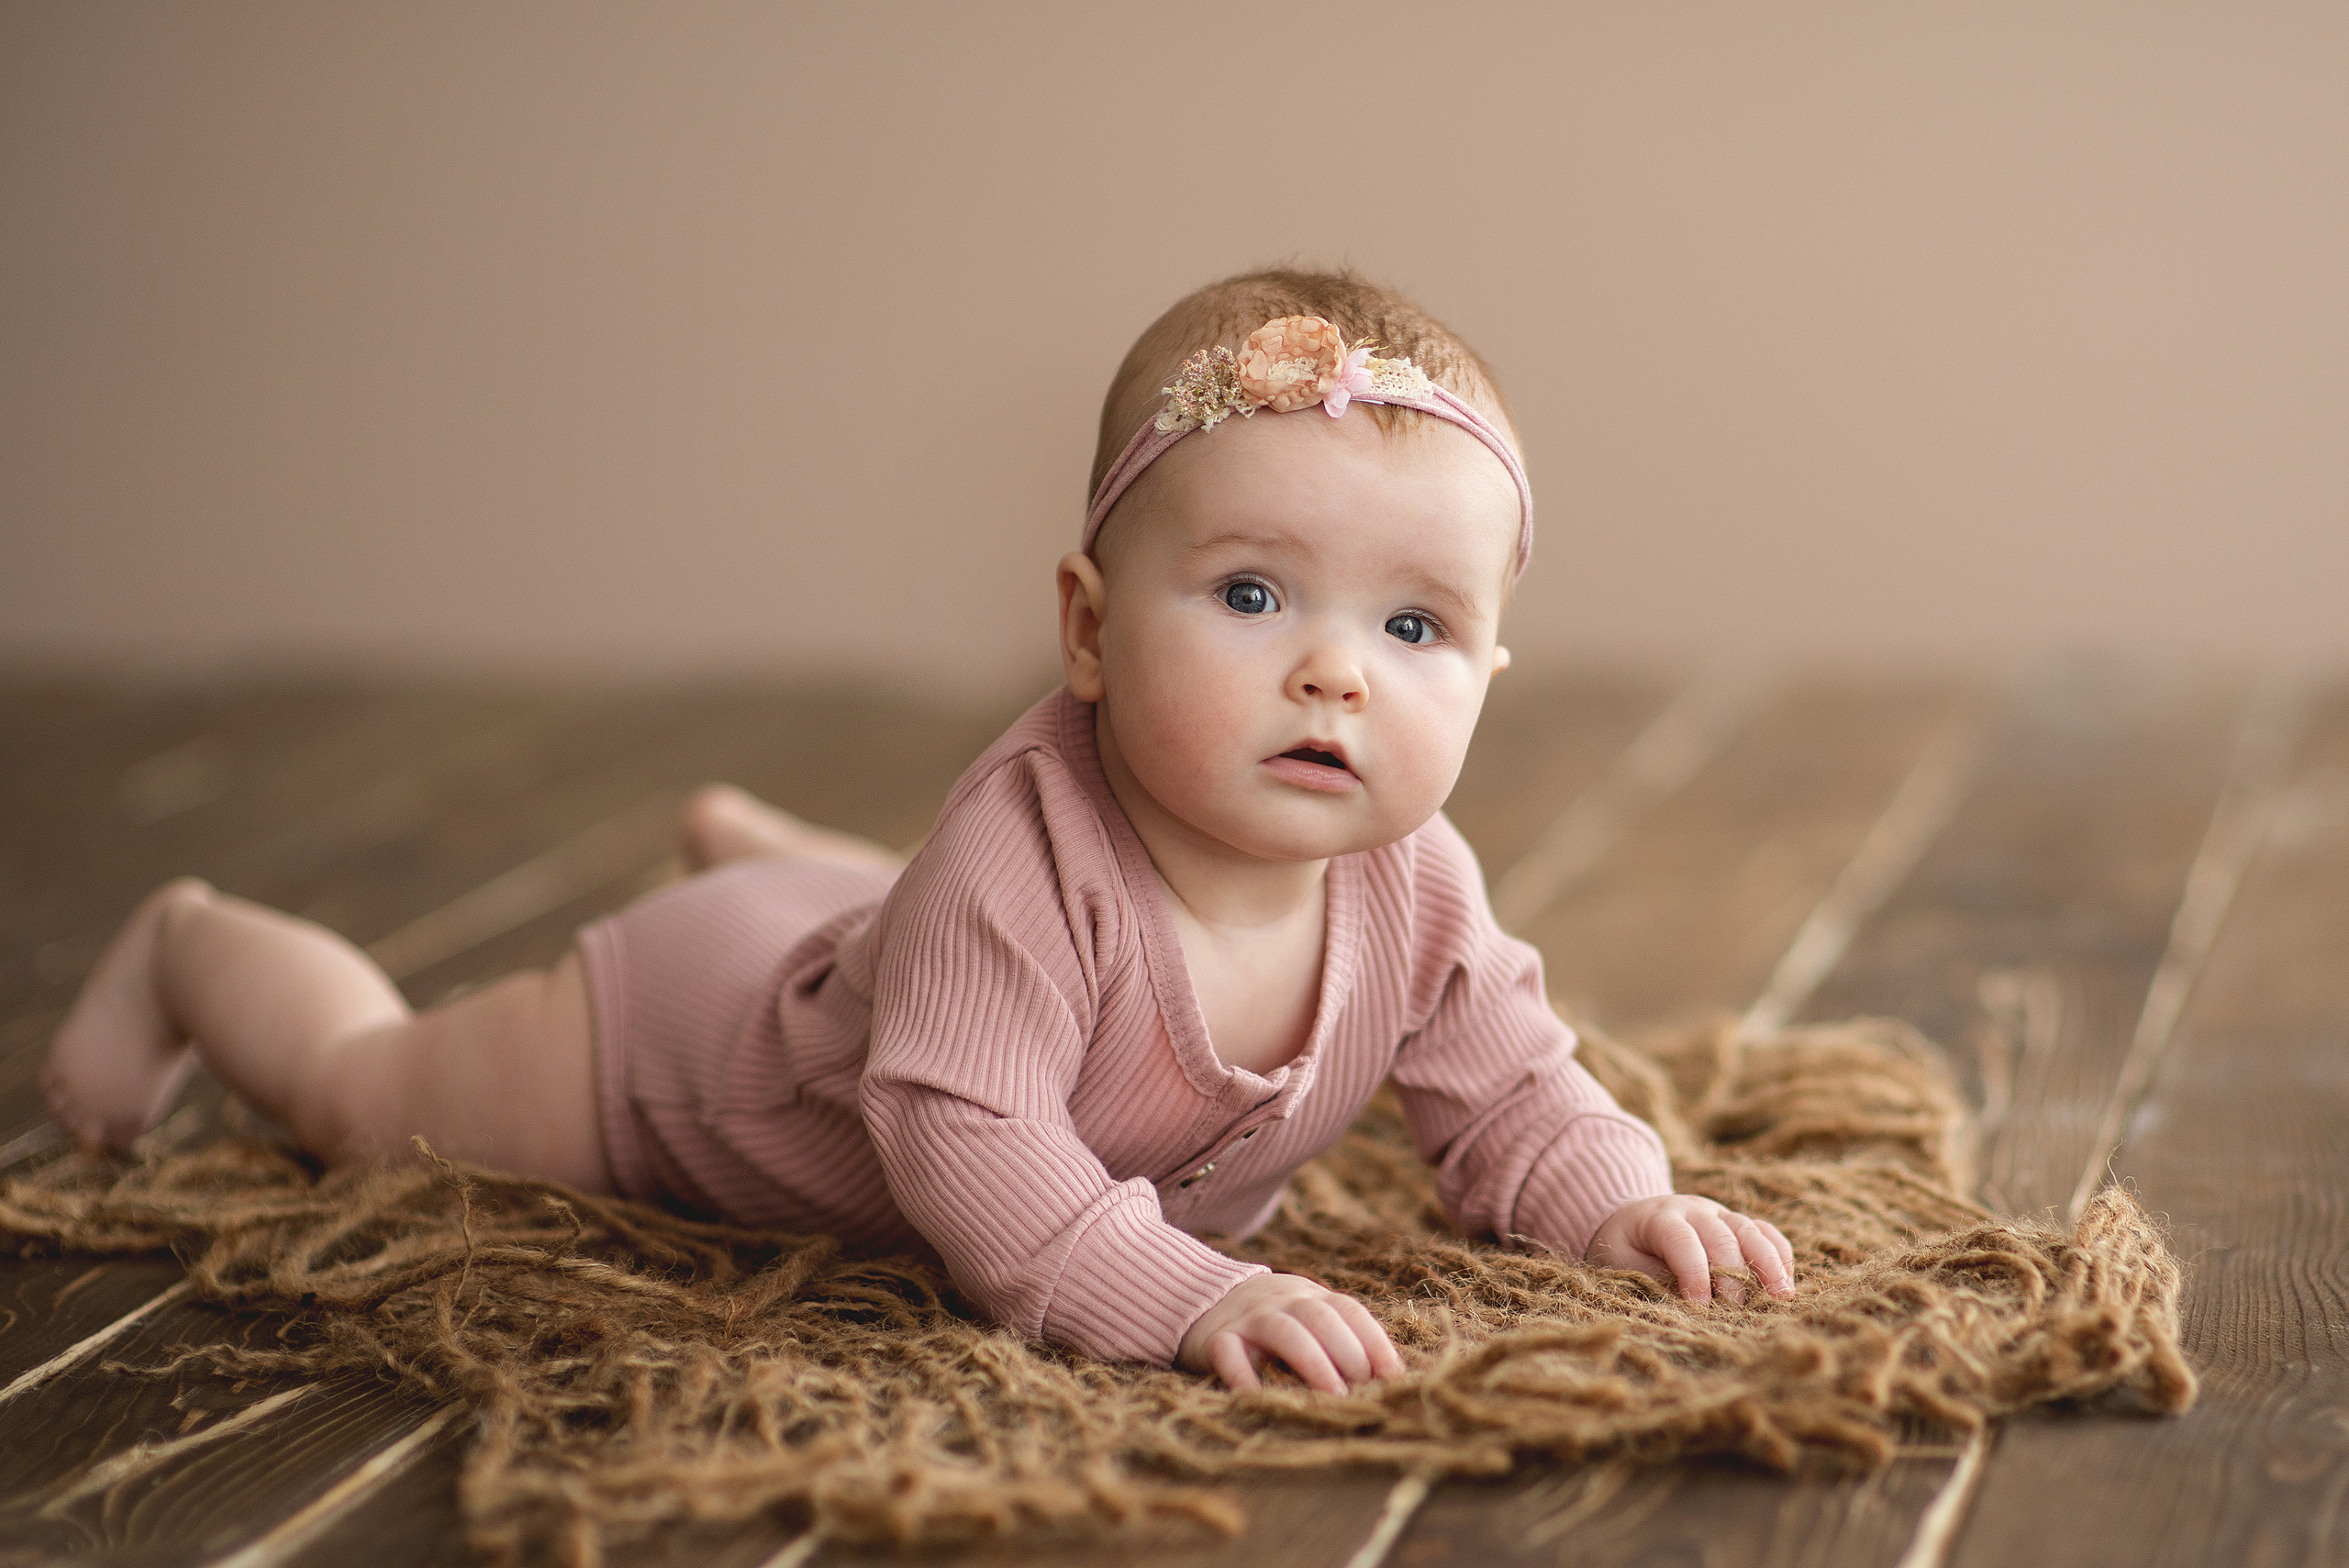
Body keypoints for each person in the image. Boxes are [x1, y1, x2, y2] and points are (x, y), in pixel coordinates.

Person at [42, 269, 1795, 1396]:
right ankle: (197, 943)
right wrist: (1172, 1292)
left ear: (1491, 669)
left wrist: (1615, 1203)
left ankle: (772, 851)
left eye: (1413, 628)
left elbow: (1514, 1083)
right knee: (372, 1097)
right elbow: (967, 1141)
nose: (1336, 671)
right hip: (697, 1046)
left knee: (917, 930)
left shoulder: (1416, 887)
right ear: (1092, 629)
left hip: (894, 933)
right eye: (1254, 593)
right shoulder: (1017, 854)